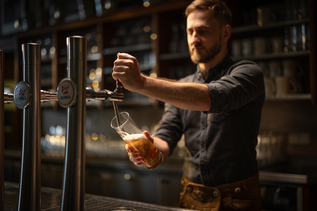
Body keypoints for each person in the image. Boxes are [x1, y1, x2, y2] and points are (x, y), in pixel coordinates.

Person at [112, 0, 265, 210]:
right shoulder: (182, 86)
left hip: (237, 199)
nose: (194, 39)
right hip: (191, 197)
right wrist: (149, 149)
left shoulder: (248, 73)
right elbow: (167, 135)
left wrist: (141, 82)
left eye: (202, 31)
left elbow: (212, 97)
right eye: (190, 31)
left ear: (225, 32)